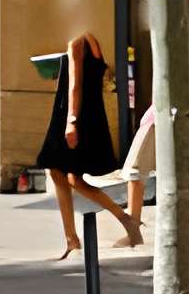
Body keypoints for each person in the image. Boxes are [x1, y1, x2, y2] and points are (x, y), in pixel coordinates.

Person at [33, 32, 142, 259]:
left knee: (69, 177)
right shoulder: (92, 41)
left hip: (74, 116)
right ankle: (75, 238)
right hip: (90, 116)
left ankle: (121, 222)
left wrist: (71, 121)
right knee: (60, 173)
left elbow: (75, 84)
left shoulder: (76, 41)